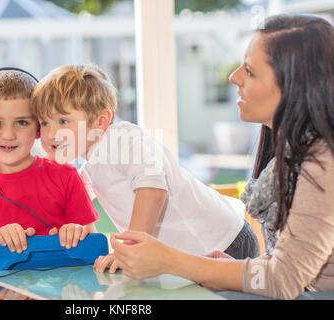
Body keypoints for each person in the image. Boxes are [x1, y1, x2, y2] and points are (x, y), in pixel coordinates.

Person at [109, 14, 334, 300]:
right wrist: (234, 270)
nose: (234, 77)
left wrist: (172, 261)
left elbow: (284, 279)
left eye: (250, 72)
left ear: (294, 86)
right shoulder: (294, 152)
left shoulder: (322, 164)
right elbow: (288, 264)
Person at [30, 64, 260, 274]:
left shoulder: (122, 137)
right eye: (44, 123)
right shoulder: (91, 167)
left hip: (223, 242)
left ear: (100, 121)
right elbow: (71, 204)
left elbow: (152, 189)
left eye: (62, 121)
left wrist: (130, 250)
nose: (50, 134)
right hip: (190, 256)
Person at [0, 68, 99, 272]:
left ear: (39, 129)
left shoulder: (65, 176)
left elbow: (94, 254)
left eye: (22, 122)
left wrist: (77, 234)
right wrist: (0, 248)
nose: (7, 135)